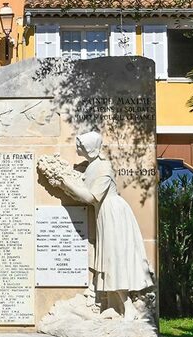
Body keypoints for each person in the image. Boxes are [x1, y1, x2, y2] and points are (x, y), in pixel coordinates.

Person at [52, 131, 154, 320]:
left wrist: (65, 183)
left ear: (89, 148)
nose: (77, 148)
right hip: (104, 214)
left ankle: (128, 308)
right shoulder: (92, 166)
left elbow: (90, 197)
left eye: (80, 145)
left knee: (114, 260)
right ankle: (114, 307)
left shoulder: (103, 167)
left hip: (113, 214)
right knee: (107, 261)